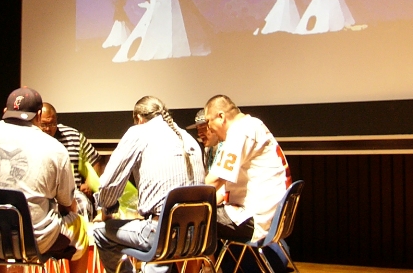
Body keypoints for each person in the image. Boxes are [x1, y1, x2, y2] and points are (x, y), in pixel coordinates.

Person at [0, 87, 89, 273]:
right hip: (34, 241)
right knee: (80, 226)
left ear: (5, 112)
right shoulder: (55, 147)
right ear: (38, 115)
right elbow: (68, 203)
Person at [93, 95, 205, 273]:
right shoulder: (187, 137)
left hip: (160, 234)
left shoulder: (139, 132)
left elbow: (109, 183)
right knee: (159, 246)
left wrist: (107, 210)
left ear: (139, 119)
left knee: (100, 231)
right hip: (199, 236)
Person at [204, 94, 292, 244]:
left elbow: (216, 179)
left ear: (221, 116)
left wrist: (185, 197)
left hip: (255, 218)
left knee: (190, 221)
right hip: (272, 215)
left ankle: (204, 268)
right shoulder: (253, 124)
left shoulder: (240, 131)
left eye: (208, 121)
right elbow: (221, 187)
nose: (209, 129)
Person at [39, 102, 102, 221]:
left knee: (82, 205)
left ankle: (83, 237)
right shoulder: (31, 138)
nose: (48, 129)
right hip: (42, 193)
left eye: (52, 124)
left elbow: (95, 161)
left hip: (72, 192)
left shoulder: (72, 136)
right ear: (36, 122)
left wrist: (89, 182)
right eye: (43, 124)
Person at [187, 108, 221, 173]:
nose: (199, 133)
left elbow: (218, 179)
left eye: (203, 128)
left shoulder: (229, 146)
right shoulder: (208, 149)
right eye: (198, 129)